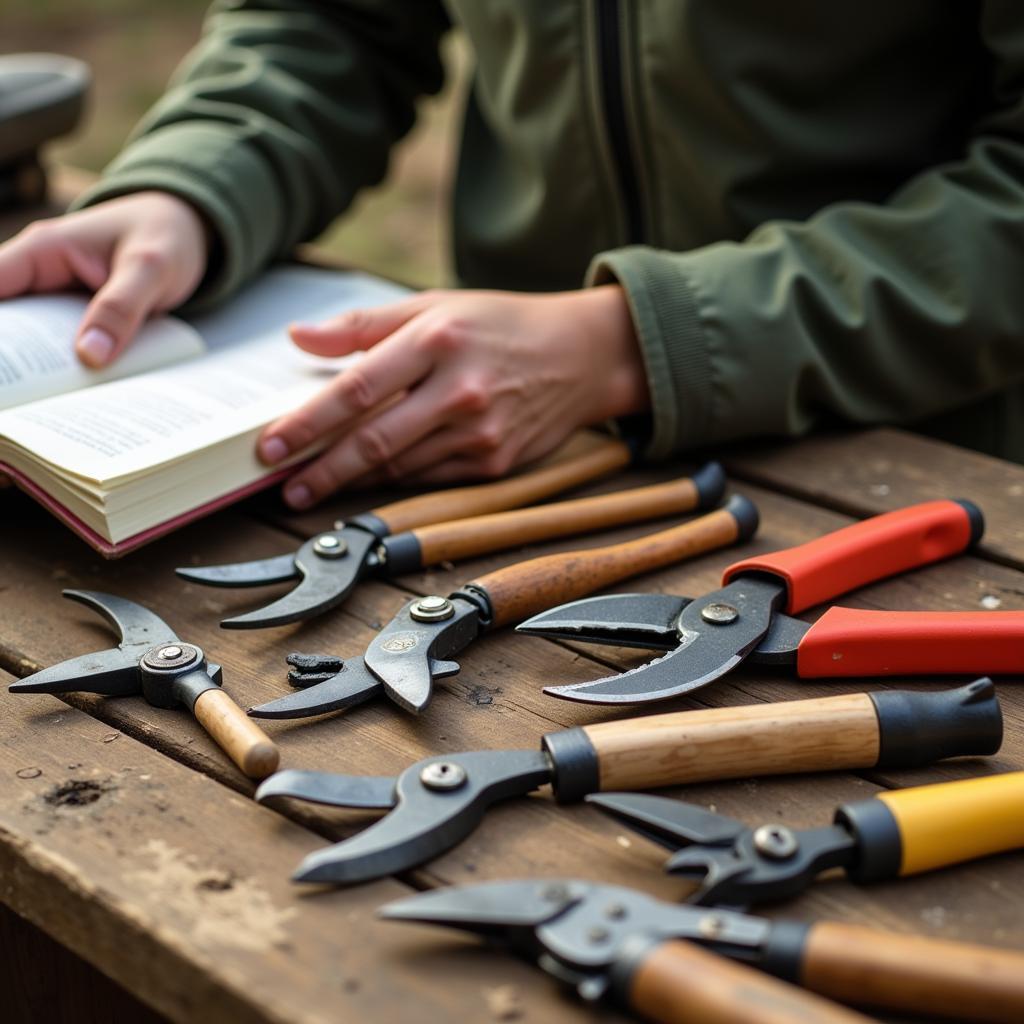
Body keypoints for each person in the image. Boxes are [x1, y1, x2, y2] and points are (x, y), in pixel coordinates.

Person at [2, 2, 1023, 510]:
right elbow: (328, 23)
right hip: (501, 434)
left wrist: (638, 338)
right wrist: (191, 183)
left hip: (925, 459)